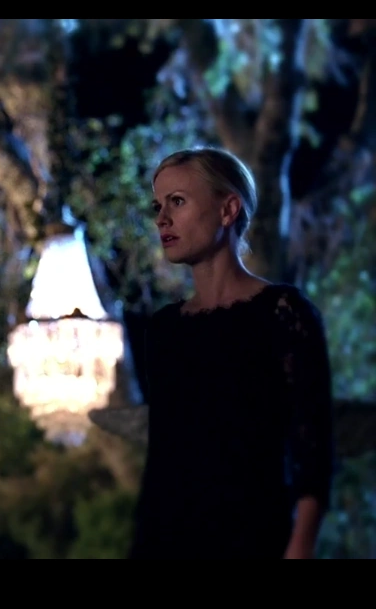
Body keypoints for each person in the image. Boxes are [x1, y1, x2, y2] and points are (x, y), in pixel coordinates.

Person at [130, 146, 335, 559]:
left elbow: (313, 448)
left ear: (228, 210)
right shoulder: (165, 330)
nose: (161, 218)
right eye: (158, 205)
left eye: (177, 201)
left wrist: (300, 546)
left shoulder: (282, 313)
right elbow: (163, 460)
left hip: (256, 536)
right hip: (170, 540)